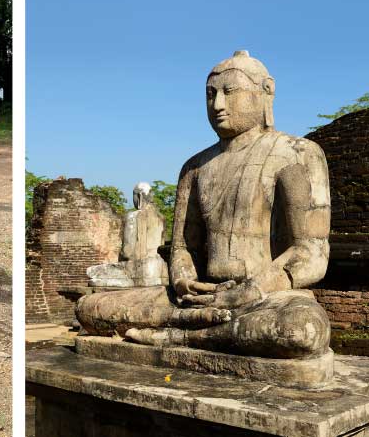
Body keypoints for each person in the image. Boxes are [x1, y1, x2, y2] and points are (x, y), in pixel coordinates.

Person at [76, 51, 332, 359]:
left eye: (229, 92)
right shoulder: (195, 167)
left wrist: (251, 289)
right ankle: (203, 330)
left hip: (264, 297)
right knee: (91, 308)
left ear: (266, 91)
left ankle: (181, 336)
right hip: (197, 300)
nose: (218, 105)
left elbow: (311, 252)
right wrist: (183, 280)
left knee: (299, 329)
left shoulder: (297, 154)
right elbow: (184, 247)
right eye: (211, 95)